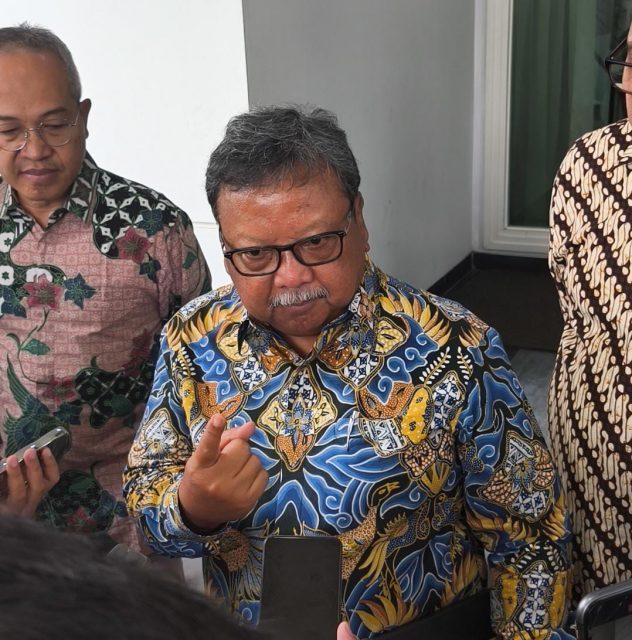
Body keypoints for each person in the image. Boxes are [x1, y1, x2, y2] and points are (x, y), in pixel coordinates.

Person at [125, 105, 573, 638]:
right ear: (225, 250)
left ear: (359, 219)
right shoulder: (192, 339)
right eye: (257, 254)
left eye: (316, 243)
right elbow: (147, 498)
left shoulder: (456, 345)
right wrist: (192, 508)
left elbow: (530, 539)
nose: (291, 277)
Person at [0, 23, 211, 554]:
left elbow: (205, 372)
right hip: (10, 525)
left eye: (54, 125)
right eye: (8, 130)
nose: (34, 149)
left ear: (84, 118)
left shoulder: (155, 229)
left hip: (130, 521)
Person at [548, 23, 632, 605]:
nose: (627, 83)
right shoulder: (588, 163)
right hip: (591, 434)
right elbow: (573, 293)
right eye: (629, 58)